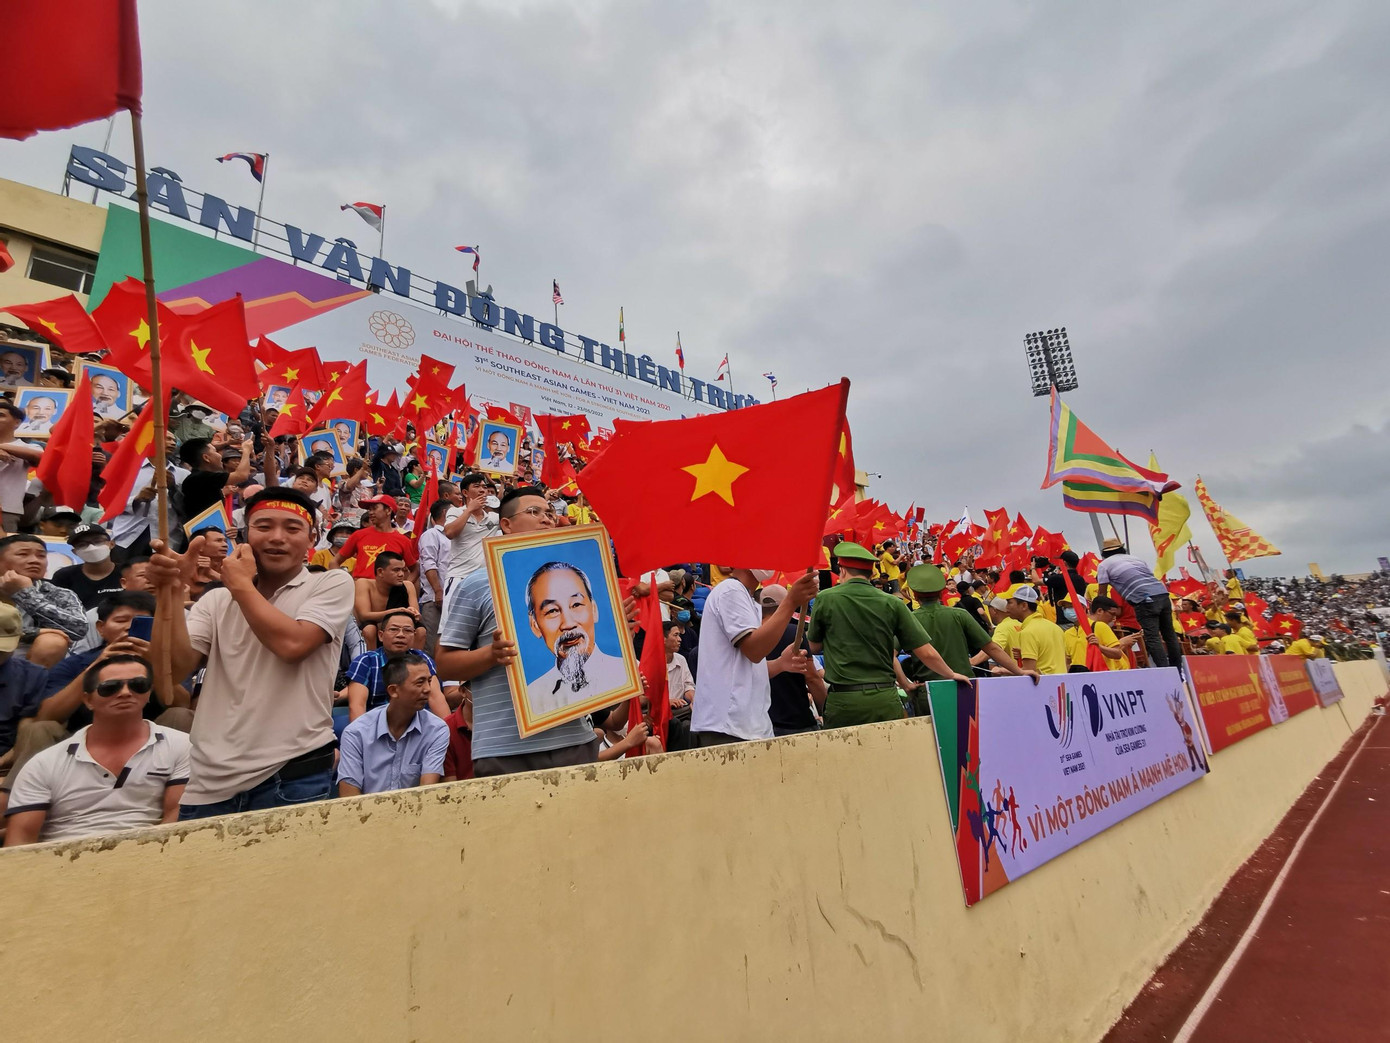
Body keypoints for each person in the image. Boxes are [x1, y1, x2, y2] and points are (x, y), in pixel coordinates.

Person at [149, 486, 355, 818]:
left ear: (311, 538)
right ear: (245, 535)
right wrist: (170, 592)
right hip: (208, 781)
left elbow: (293, 645)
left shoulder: (331, 584)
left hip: (291, 773)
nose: (277, 537)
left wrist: (240, 585)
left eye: (292, 528)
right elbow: (172, 670)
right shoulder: (216, 601)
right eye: (264, 526)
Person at [436, 486, 601, 777]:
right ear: (506, 524)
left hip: (573, 739)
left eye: (550, 513)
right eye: (534, 512)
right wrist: (492, 654)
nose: (547, 519)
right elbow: (445, 662)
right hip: (506, 749)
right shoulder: (476, 583)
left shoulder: (579, 578)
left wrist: (612, 631)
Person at [3, 654, 191, 845]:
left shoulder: (181, 746)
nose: (126, 692)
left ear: (149, 693)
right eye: (110, 687)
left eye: (138, 685)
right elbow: (21, 839)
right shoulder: (44, 763)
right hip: (63, 861)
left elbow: (178, 818)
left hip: (151, 855)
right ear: (88, 700)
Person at [807, 543, 970, 729]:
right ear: (871, 574)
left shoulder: (825, 598)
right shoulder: (893, 602)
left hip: (844, 700)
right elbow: (926, 651)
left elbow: (812, 646)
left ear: (842, 570)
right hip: (884, 697)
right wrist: (951, 674)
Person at [689, 565, 819, 746]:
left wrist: (781, 664)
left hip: (748, 726)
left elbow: (747, 668)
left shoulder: (748, 599)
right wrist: (790, 602)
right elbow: (754, 650)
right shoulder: (730, 591)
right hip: (729, 726)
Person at [900, 565, 1033, 709]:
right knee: (968, 731)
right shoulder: (959, 615)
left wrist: (905, 685)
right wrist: (1019, 671)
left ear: (914, 594)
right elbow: (992, 648)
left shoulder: (909, 620)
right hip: (963, 688)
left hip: (928, 692)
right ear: (940, 594)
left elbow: (890, 655)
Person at [523, 561, 630, 716]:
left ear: (594, 610)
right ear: (534, 625)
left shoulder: (627, 672)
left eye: (576, 605)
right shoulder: (532, 696)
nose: (568, 623)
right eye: (552, 610)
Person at [336, 656, 449, 797]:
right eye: (420, 683)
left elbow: (426, 791)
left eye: (429, 681)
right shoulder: (356, 733)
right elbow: (349, 796)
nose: (427, 689)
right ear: (393, 690)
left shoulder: (437, 730)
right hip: (366, 815)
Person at [342, 610, 449, 721]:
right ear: (381, 635)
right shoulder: (365, 662)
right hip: (375, 725)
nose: (400, 635)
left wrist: (449, 733)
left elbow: (436, 698)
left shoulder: (422, 660)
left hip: (417, 723)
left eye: (407, 630)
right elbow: (357, 706)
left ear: (414, 636)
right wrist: (362, 736)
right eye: (394, 629)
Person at [0, 533, 88, 666]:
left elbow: (78, 630)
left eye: (41, 555)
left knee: (53, 642)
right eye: (23, 554)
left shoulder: (58, 592)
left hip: (35, 657)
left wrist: (26, 593)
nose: (35, 560)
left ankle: (32, 686)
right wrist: (33, 632)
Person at [1095, 539, 1183, 668]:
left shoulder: (1104, 565)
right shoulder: (1136, 559)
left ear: (1104, 552)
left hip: (1144, 599)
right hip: (1162, 594)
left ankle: (1165, 670)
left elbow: (1102, 593)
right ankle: (1177, 669)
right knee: (1169, 634)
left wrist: (1096, 605)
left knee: (1152, 637)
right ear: (1121, 549)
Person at [760, 584, 826, 736]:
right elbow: (812, 677)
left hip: (760, 722)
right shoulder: (793, 633)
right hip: (795, 721)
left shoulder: (751, 634)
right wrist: (825, 711)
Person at [179, 436, 254, 538]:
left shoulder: (203, 478)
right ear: (206, 458)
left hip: (212, 536)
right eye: (216, 452)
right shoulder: (198, 478)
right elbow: (242, 475)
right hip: (201, 540)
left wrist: (228, 530)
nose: (220, 456)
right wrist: (246, 451)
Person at [330, 495, 418, 579]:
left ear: (388, 510)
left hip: (388, 591)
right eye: (369, 509)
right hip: (361, 590)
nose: (370, 512)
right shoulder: (358, 535)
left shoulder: (403, 540)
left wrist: (404, 588)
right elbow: (334, 562)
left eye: (374, 508)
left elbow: (415, 569)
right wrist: (345, 583)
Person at [442, 473, 498, 594]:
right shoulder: (455, 511)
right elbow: (450, 533)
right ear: (465, 493)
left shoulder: (494, 518)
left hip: (485, 580)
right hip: (459, 577)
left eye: (484, 487)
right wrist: (469, 509)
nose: (482, 490)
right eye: (477, 486)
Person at [354, 551, 423, 649]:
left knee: (420, 630)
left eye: (403, 570)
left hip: (400, 628)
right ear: (380, 572)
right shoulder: (363, 584)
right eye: (396, 570)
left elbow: (415, 615)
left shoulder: (408, 585)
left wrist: (415, 615)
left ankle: (414, 661)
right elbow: (363, 615)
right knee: (369, 629)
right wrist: (396, 612)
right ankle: (371, 661)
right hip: (374, 631)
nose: (401, 574)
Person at [51, 523, 125, 610]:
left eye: (97, 541)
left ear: (111, 544)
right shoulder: (64, 576)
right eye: (82, 545)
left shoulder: (127, 572)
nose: (91, 547)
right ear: (75, 552)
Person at [0, 402, 44, 533]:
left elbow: (40, 457)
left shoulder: (28, 447)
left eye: (1, 415)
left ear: (17, 423)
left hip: (7, 510)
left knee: (4, 550)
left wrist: (2, 447)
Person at [1006, 586, 1068, 675]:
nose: (1006, 607)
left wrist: (1002, 670)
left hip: (1043, 686)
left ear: (1024, 605)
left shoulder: (1028, 632)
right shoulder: (1056, 628)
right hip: (1060, 685)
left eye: (1009, 602)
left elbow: (1028, 672)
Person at [417, 499, 451, 652]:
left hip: (452, 599)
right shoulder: (431, 534)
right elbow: (429, 564)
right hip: (435, 599)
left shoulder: (455, 535)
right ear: (446, 513)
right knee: (431, 647)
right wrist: (438, 591)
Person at [1087, 595, 1143, 670]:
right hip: (1109, 673)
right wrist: (1122, 643)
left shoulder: (1081, 626)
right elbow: (1116, 653)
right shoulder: (1101, 625)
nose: (1114, 618)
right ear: (1099, 611)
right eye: (1112, 614)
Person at [663, 620, 696, 711]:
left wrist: (694, 699)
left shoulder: (681, 659)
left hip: (680, 711)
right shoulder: (650, 663)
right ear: (663, 639)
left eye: (679, 635)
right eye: (675, 635)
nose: (679, 639)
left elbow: (688, 686)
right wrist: (666, 702)